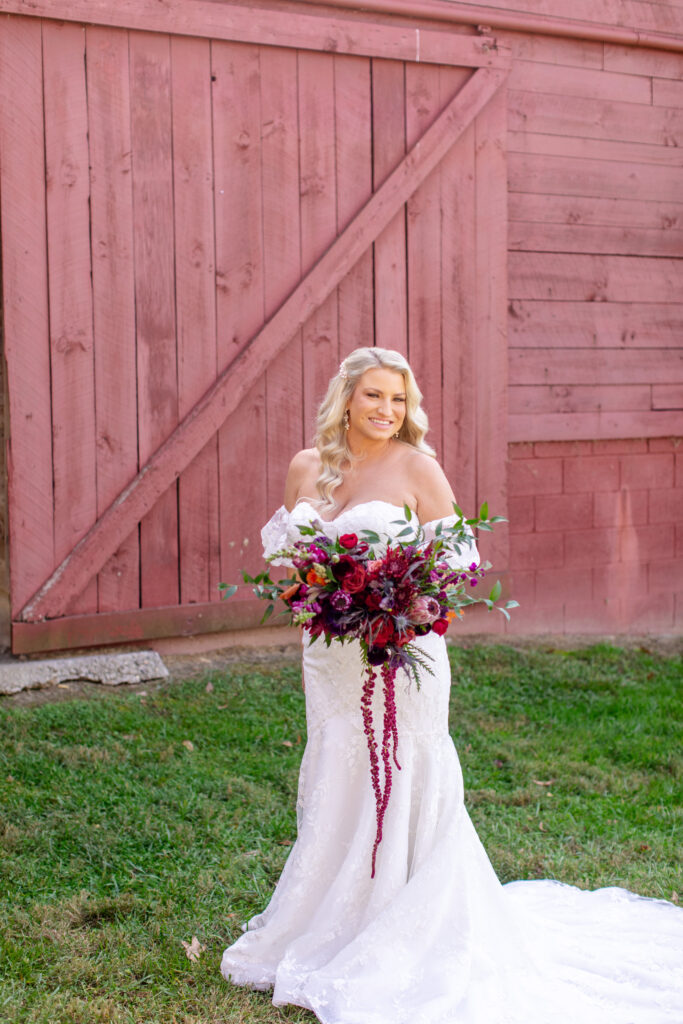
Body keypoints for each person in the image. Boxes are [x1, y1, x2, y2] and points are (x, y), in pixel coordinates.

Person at [221, 347, 683, 1023]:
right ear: (345, 398)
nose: (386, 410)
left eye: (398, 399)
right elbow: (290, 563)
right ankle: (330, 912)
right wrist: (315, 595)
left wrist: (393, 608)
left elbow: (452, 565)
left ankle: (409, 915)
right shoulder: (306, 467)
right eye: (373, 395)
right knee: (339, 763)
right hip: (330, 654)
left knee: (410, 765)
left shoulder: (417, 467)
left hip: (404, 649)